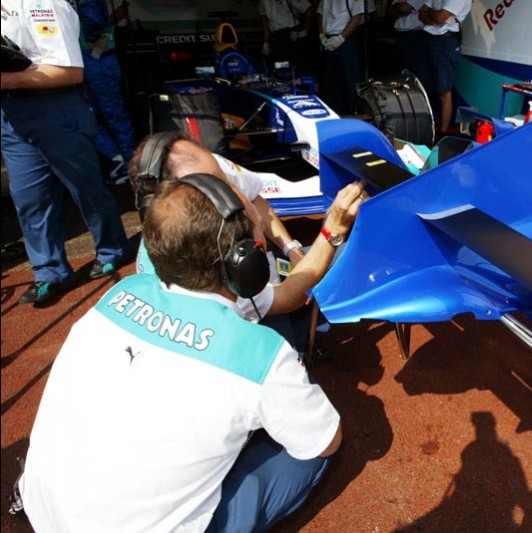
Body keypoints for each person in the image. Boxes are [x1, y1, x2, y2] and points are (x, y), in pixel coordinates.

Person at [18, 176, 345, 532]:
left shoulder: (123, 291)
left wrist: (329, 232)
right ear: (247, 264)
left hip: (45, 508)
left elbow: (286, 292)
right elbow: (325, 441)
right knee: (314, 452)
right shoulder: (261, 353)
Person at [129, 133, 366, 329]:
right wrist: (331, 230)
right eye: (219, 187)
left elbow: (254, 195)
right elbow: (289, 296)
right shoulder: (210, 273)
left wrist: (291, 248)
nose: (236, 195)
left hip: (264, 273)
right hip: (261, 298)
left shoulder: (203, 167)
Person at [1, 0, 129, 305]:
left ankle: (112, 249)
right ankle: (49, 271)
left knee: (84, 188)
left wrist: (8, 79)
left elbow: (70, 72)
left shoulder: (46, 4)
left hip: (55, 106)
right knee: (30, 199)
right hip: (12, 113)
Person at [77, 0, 137, 185]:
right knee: (94, 115)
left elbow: (94, 22)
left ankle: (125, 164)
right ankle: (122, 162)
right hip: (97, 60)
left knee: (106, 115)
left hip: (96, 61)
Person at [418, 0, 471, 137]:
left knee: (444, 91)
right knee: (425, 87)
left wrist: (431, 14)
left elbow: (439, 17)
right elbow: (422, 13)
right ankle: (429, 127)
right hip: (429, 39)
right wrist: (432, 15)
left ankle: (442, 133)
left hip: (446, 42)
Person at [317, 0, 373, 115]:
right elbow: (321, 14)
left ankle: (354, 115)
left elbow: (357, 16)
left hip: (347, 39)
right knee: (330, 82)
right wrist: (322, 35)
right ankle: (334, 115)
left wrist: (341, 38)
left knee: (351, 83)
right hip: (328, 39)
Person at [260, 0, 315, 70]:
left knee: (294, 65)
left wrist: (305, 31)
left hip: (290, 35)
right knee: (277, 65)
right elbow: (265, 20)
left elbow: (309, 9)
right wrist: (265, 42)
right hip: (275, 36)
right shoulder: (264, 1)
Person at [389, 0, 425, 76]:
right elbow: (391, 10)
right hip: (400, 35)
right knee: (400, 70)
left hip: (415, 35)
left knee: (413, 71)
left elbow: (403, 8)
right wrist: (401, 9)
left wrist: (399, 7)